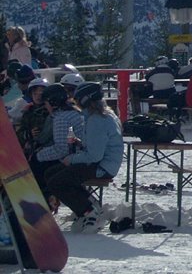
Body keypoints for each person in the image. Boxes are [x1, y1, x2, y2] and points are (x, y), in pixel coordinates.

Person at [44, 81, 124, 233]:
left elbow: (94, 156)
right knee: (51, 173)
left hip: (102, 167)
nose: (76, 103)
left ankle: (89, 212)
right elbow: (96, 146)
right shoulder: (100, 116)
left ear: (85, 100)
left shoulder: (97, 120)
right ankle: (91, 205)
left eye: (77, 100)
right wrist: (79, 143)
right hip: (101, 162)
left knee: (57, 182)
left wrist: (72, 159)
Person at [31, 83, 85, 208]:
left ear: (52, 102)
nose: (46, 106)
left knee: (38, 165)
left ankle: (42, 204)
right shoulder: (73, 111)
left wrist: (39, 155)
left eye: (46, 103)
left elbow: (62, 149)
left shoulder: (61, 118)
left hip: (75, 157)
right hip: (79, 154)